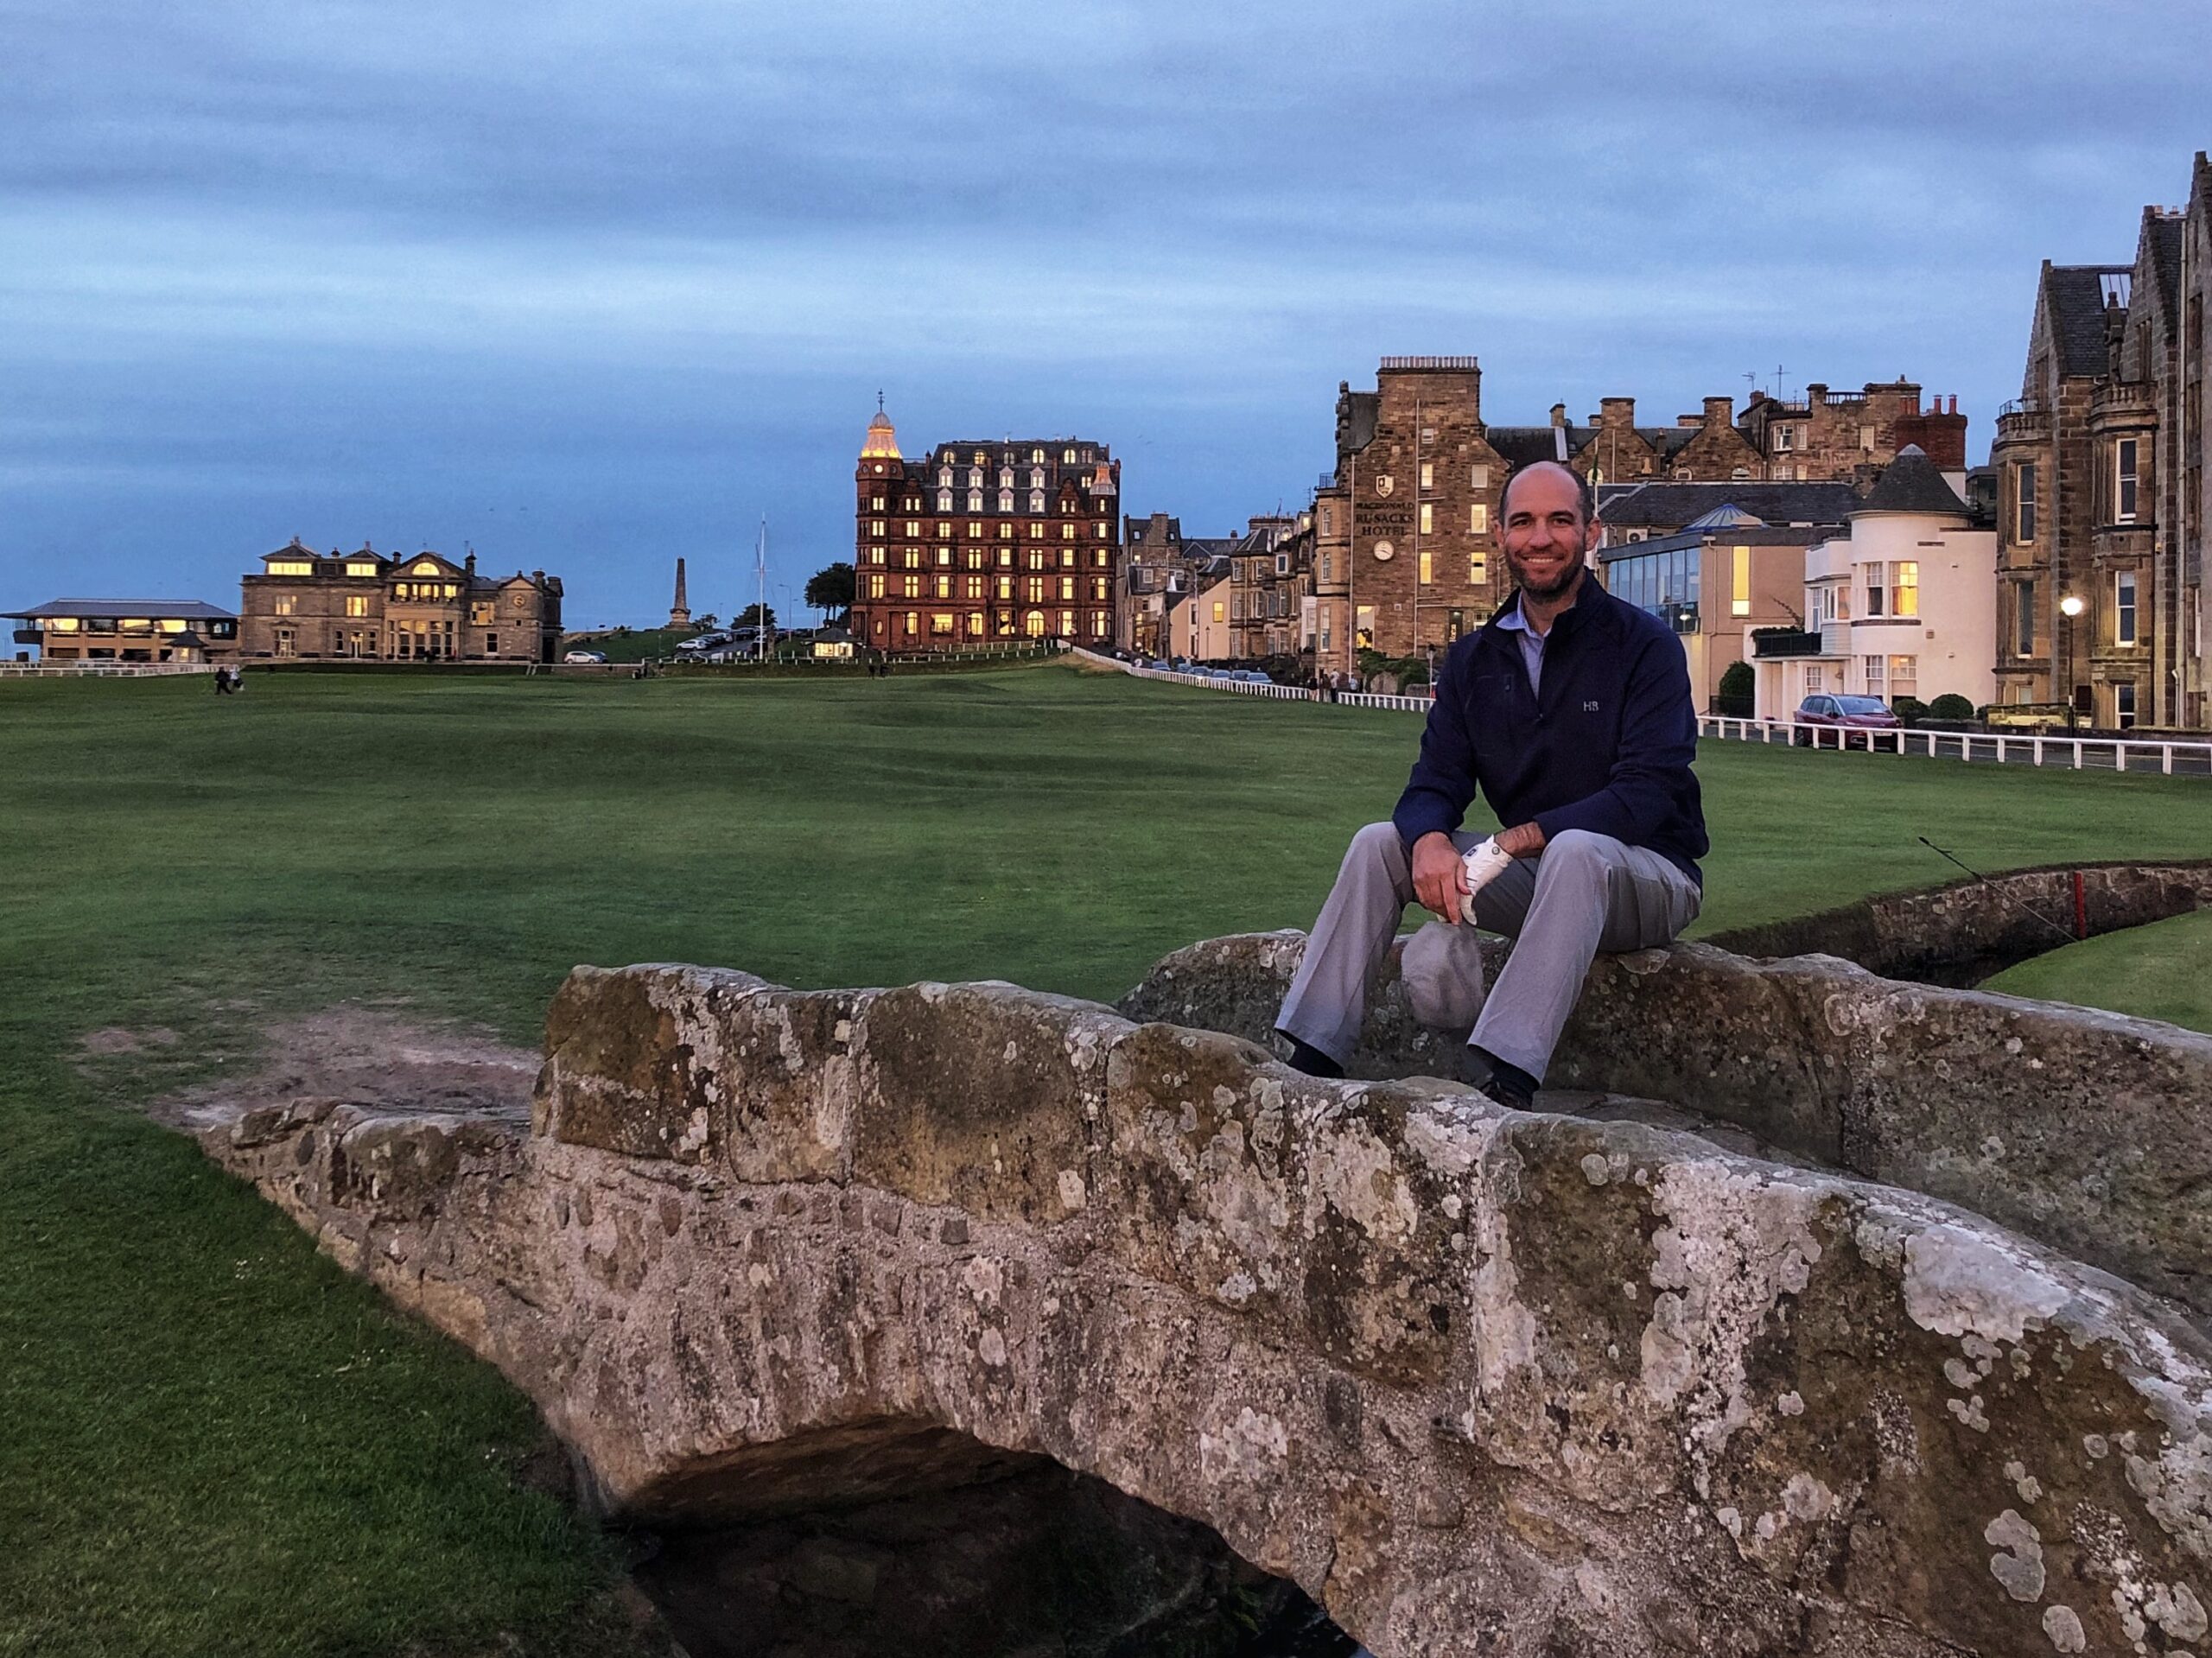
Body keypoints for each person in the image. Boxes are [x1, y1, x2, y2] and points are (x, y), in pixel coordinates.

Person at [1274, 461, 1707, 1110]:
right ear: (1500, 535)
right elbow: (1435, 780)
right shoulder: (1476, 658)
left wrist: (1524, 836)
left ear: (1590, 533)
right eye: (1524, 522)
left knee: (1577, 849)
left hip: (1646, 875)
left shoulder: (1644, 646)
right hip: (1542, 873)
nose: (1541, 538)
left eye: (1560, 520)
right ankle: (1311, 1056)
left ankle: (1507, 1080)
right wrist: (1427, 842)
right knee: (1379, 843)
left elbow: (1645, 795)